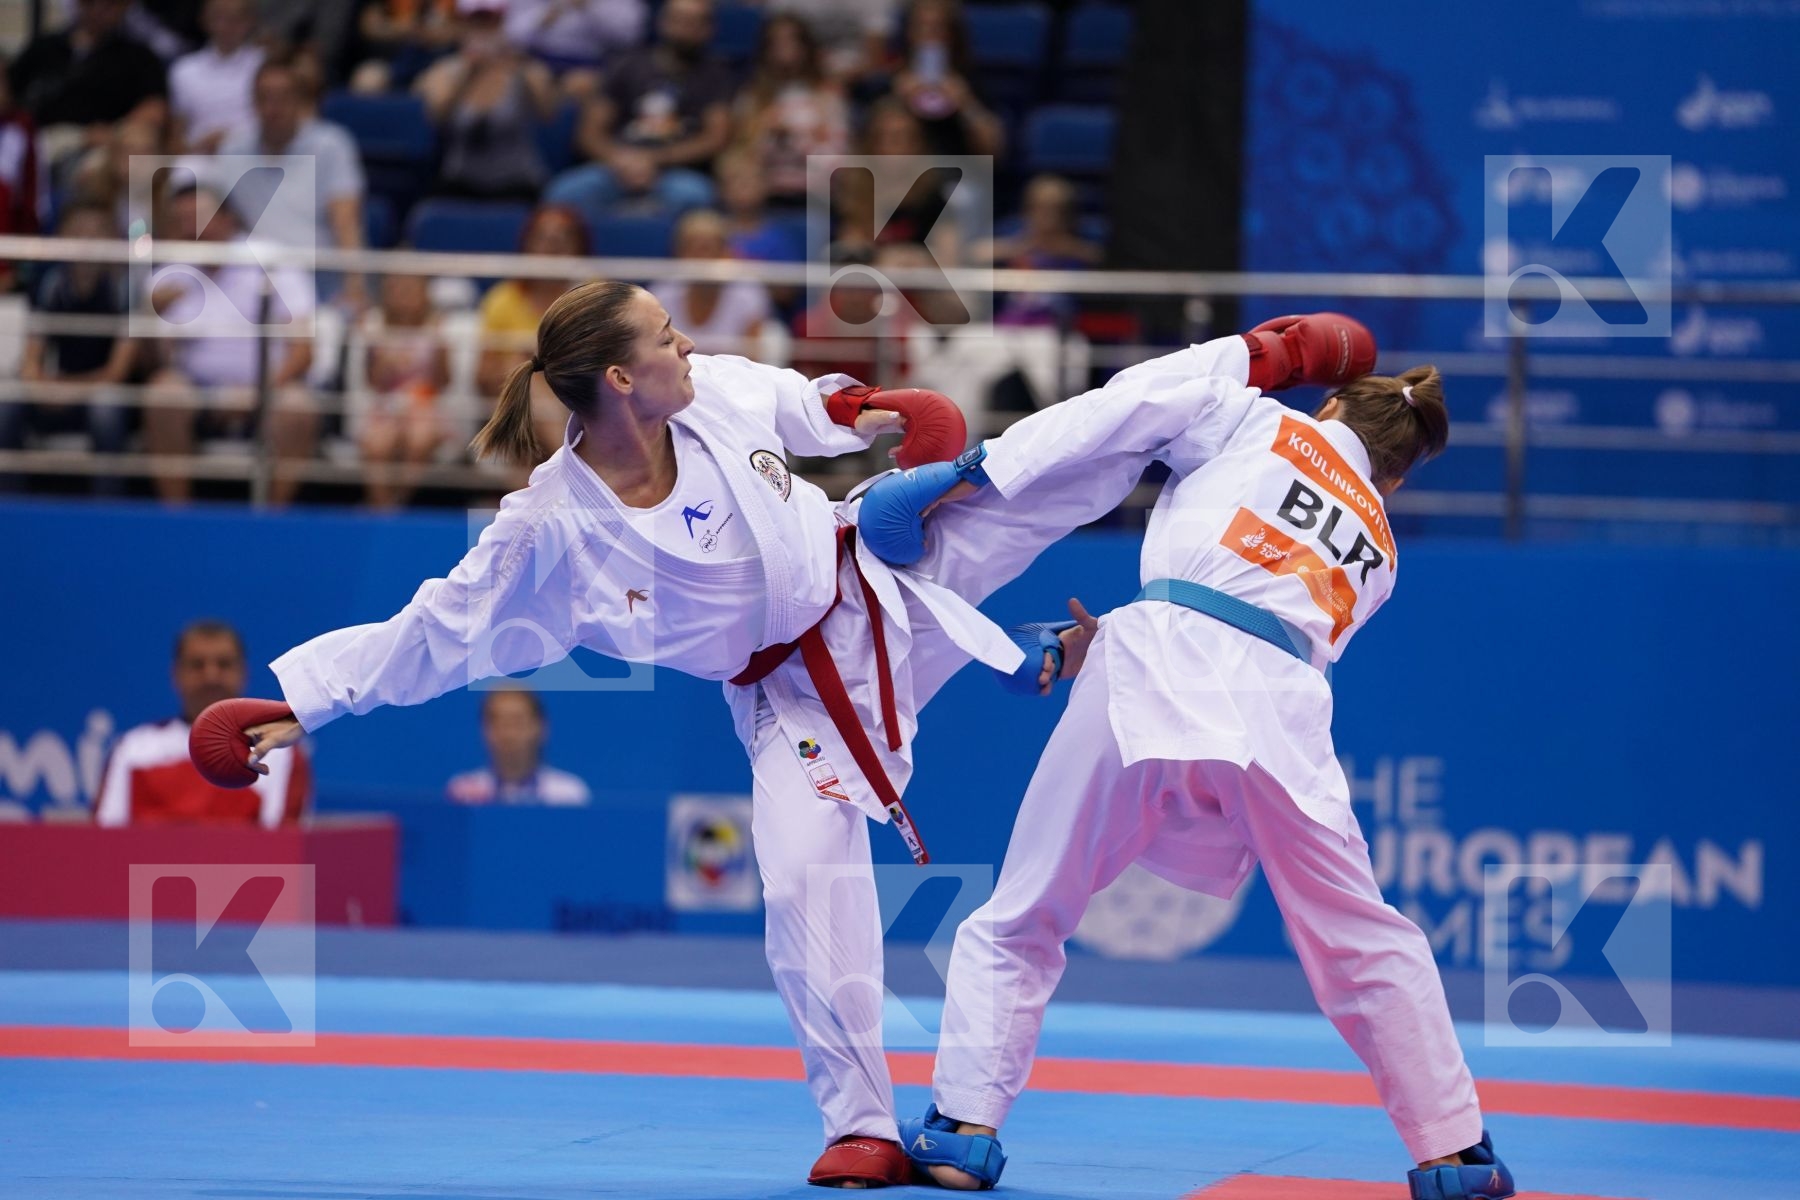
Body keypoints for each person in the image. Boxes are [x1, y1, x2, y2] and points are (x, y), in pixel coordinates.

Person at [210, 278, 1185, 1188]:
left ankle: (1227, 381)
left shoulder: (708, 393)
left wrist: (860, 411)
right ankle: (863, 1126)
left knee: (1032, 472)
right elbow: (436, 630)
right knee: (804, 877)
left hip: (878, 564)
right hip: (792, 698)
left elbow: (794, 403)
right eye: (667, 338)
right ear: (623, 380)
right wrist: (307, 704)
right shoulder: (551, 529)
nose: (690, 346)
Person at [852, 319, 1515, 1200]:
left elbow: (1134, 411)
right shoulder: (1381, 550)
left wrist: (980, 478)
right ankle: (1454, 1153)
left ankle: (962, 1132)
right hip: (1280, 712)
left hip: (1153, 661)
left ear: (1329, 404)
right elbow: (1258, 606)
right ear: (1396, 474)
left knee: (1025, 911)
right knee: (1362, 936)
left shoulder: (1254, 420)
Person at [141, 182, 319, 505]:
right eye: (181, 221)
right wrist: (153, 318)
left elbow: (304, 351)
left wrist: (261, 390)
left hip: (269, 385)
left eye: (198, 218)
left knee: (298, 408)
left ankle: (271, 519)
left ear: (227, 219)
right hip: (197, 388)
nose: (190, 228)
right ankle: (176, 517)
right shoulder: (167, 275)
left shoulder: (272, 261)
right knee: (162, 394)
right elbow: (149, 362)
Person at [97, 620, 311, 828]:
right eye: (197, 665)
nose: (211, 676)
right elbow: (104, 843)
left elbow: (283, 851)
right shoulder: (132, 750)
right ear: (176, 674)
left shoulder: (280, 753)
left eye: (224, 664)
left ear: (243, 673)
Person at [543, 0, 731, 224]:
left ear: (708, 29)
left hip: (676, 171)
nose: (684, 29)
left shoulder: (715, 75)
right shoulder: (628, 65)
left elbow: (715, 138)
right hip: (616, 165)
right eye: (678, 20)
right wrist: (621, 160)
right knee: (563, 194)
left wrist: (656, 159)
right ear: (662, 23)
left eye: (693, 22)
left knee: (696, 196)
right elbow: (589, 133)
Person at [2, 203, 137, 494]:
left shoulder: (124, 290)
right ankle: (10, 507)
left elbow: (117, 371)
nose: (87, 241)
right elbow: (30, 361)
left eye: (96, 232)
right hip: (59, 391)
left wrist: (69, 390)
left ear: (114, 239)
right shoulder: (50, 285)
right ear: (62, 236)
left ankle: (109, 510)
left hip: (99, 392)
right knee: (7, 406)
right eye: (78, 231)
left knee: (107, 409)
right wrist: (42, 387)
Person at [215, 53, 368, 307]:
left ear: (299, 101)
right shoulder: (232, 150)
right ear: (252, 103)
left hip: (319, 274)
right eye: (265, 98)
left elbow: (346, 220)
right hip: (255, 276)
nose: (273, 108)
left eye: (282, 98)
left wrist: (355, 285)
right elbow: (223, 220)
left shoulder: (331, 145)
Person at [474, 203, 590, 462]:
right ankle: (572, 463)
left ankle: (567, 462)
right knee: (525, 373)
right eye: (543, 238)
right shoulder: (502, 299)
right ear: (527, 245)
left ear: (579, 246)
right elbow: (483, 377)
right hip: (515, 407)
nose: (552, 247)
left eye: (562, 238)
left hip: (580, 402)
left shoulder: (594, 295)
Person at [415, 0, 558, 202]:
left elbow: (549, 114)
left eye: (491, 22)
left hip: (518, 184)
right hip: (459, 183)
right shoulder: (444, 72)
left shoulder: (525, 69)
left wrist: (518, 66)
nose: (483, 30)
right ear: (463, 25)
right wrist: (467, 73)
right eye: (476, 22)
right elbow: (435, 118)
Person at [731, 12, 850, 208]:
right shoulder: (751, 99)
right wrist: (767, 134)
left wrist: (795, 139)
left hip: (815, 196)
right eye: (775, 42)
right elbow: (740, 157)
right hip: (762, 197)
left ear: (807, 47)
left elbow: (837, 160)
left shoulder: (828, 98)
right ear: (765, 49)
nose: (784, 48)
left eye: (792, 40)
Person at [354, 271, 451, 508]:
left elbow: (444, 382)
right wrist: (385, 360)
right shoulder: (374, 327)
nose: (404, 295)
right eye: (398, 289)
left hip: (425, 405)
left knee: (419, 439)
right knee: (377, 445)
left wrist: (439, 347)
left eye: (411, 289)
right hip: (386, 406)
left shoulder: (437, 328)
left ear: (424, 294)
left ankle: (399, 504)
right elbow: (372, 382)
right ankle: (382, 507)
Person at [649, 208, 771, 358]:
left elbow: (754, 363)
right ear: (680, 253)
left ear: (726, 253)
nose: (701, 259)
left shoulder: (748, 293)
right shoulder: (662, 294)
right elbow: (655, 357)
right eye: (692, 250)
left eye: (708, 249)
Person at [446, 686, 590, 805]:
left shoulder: (568, 795)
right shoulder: (463, 792)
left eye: (517, 722)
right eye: (498, 722)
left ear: (540, 727)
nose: (508, 733)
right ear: (484, 729)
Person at [168, 0, 264, 153]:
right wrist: (197, 147)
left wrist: (232, 141)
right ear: (205, 20)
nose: (226, 27)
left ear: (250, 21)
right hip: (200, 157)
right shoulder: (184, 70)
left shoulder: (264, 65)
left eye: (235, 19)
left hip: (254, 154)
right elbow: (176, 136)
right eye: (219, 18)